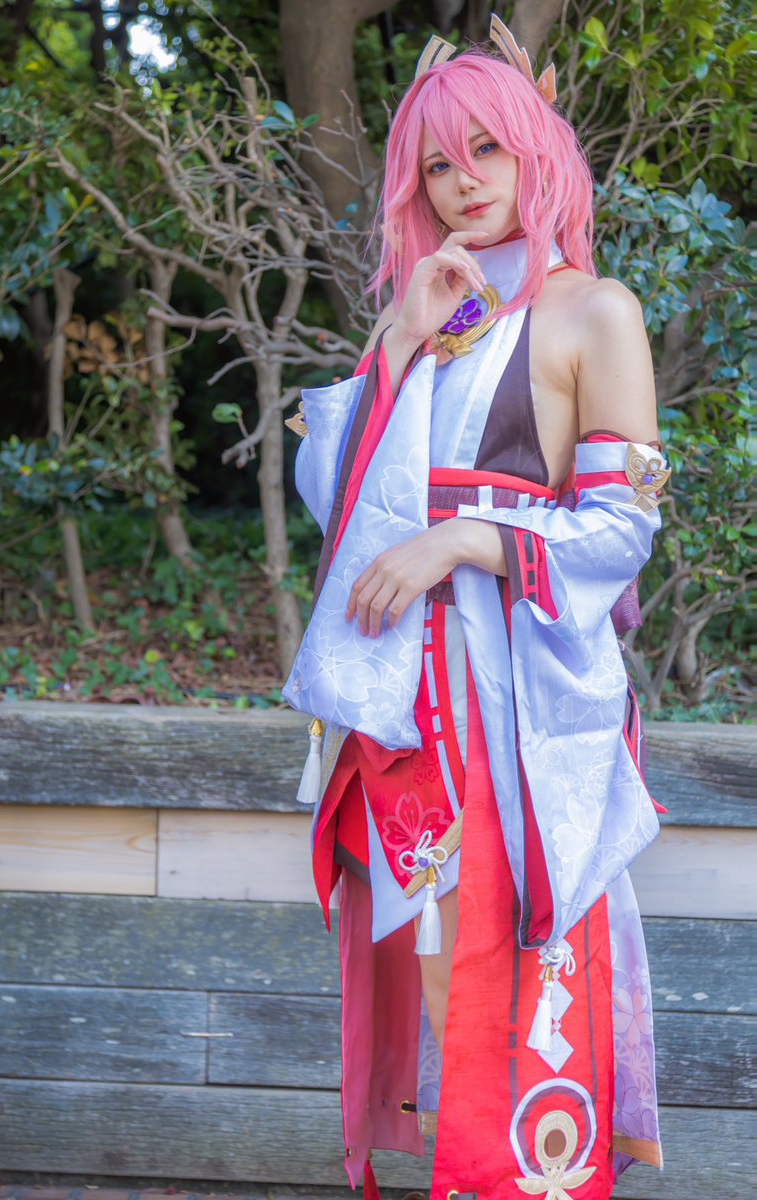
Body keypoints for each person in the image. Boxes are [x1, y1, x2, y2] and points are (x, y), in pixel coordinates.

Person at [283, 17, 670, 1200]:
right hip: (403, 694)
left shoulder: (594, 313)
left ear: (538, 149)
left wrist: (465, 537)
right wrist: (400, 341)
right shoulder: (427, 310)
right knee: (433, 952)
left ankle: (526, 1183)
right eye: (439, 164)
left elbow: (622, 528)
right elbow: (337, 499)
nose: (464, 183)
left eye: (488, 150)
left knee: (516, 946)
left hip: (515, 697)